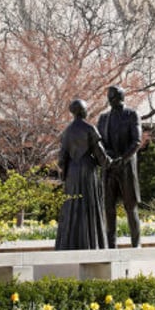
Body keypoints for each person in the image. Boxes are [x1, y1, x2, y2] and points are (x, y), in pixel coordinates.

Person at [54, 99, 110, 250]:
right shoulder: (89, 128)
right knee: (89, 205)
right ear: (82, 111)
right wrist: (109, 163)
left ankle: (69, 244)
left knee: (72, 205)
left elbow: (62, 158)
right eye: (86, 109)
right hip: (87, 170)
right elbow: (100, 153)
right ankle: (92, 243)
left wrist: (65, 175)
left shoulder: (67, 131)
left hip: (72, 171)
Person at [97, 86, 142, 248]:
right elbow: (99, 142)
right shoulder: (103, 118)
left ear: (120, 98)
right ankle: (110, 245)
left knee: (131, 207)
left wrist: (122, 159)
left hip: (126, 167)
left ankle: (136, 244)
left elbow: (136, 141)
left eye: (113, 97)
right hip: (109, 168)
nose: (110, 100)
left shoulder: (131, 115)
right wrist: (107, 158)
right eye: (109, 97)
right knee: (109, 208)